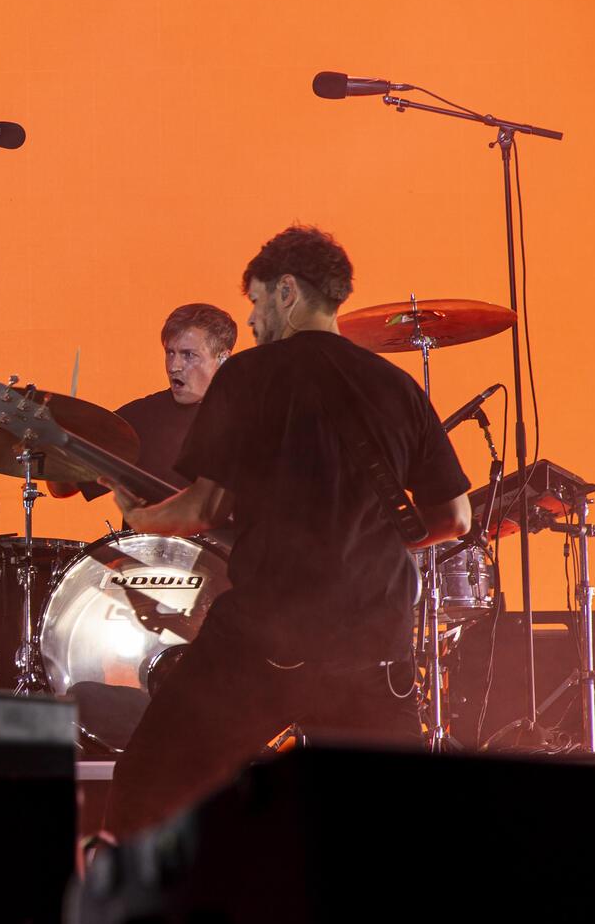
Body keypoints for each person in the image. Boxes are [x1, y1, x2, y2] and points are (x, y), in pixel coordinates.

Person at [103, 227, 472, 836]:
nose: (250, 319)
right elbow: (455, 517)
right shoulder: (397, 386)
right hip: (376, 639)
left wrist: (137, 515)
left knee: (150, 780)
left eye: (254, 301)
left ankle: (141, 917)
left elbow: (204, 507)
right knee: (381, 818)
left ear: (287, 291)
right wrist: (361, 545)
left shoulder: (250, 376)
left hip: (271, 637)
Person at [50, 303, 238, 501]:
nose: (174, 366)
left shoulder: (250, 417)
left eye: (188, 355)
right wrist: (56, 443)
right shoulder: (137, 420)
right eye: (170, 353)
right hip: (148, 531)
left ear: (223, 358)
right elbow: (62, 489)